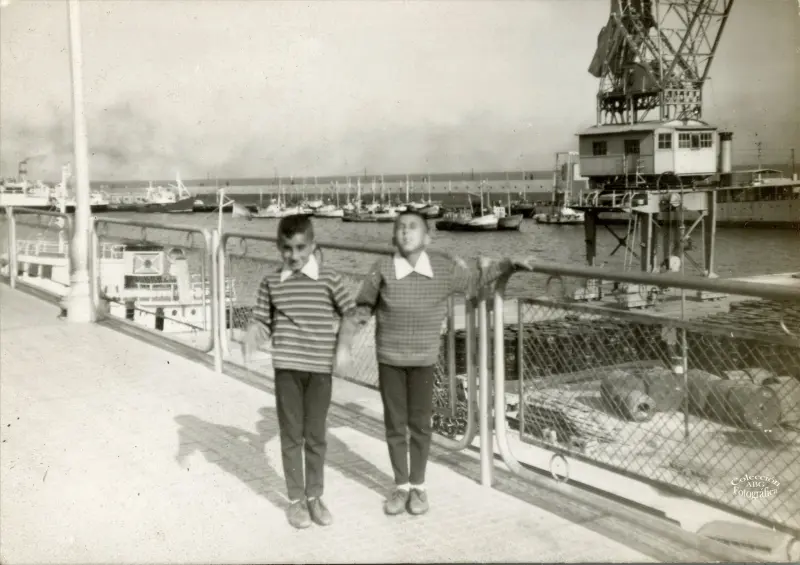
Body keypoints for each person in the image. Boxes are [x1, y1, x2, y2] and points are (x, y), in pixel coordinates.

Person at [354, 210, 532, 516]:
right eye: (400, 227)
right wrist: (343, 341)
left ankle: (418, 486)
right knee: (395, 424)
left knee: (420, 424)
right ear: (393, 236)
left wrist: (507, 264)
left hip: (423, 360)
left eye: (413, 227)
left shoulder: (441, 269)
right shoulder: (381, 268)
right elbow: (363, 306)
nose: (406, 232)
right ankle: (401, 486)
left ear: (427, 238)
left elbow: (475, 281)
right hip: (389, 359)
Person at [242, 214, 357, 529]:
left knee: (316, 436)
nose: (293, 256)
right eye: (286, 248)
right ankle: (296, 500)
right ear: (278, 247)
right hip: (287, 371)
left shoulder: (329, 279)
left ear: (313, 245)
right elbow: (262, 320)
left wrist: (343, 348)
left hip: (319, 371)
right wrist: (253, 334)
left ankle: (315, 496)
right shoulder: (271, 282)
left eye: (300, 248)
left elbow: (350, 314)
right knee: (291, 436)